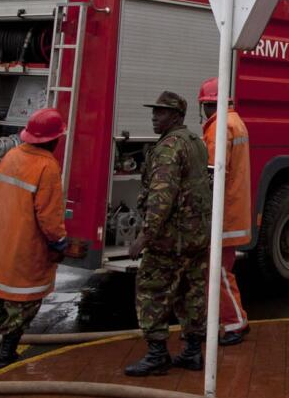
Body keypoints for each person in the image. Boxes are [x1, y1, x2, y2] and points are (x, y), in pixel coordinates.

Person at [124, 91, 211, 377]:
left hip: (171, 240)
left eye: (160, 112)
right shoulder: (196, 143)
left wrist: (145, 237)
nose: (154, 117)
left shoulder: (168, 149)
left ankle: (157, 354)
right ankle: (192, 352)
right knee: (192, 293)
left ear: (176, 116)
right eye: (154, 111)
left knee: (152, 290)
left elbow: (162, 197)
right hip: (196, 237)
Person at [0, 109, 69, 370]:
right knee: (23, 303)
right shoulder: (47, 166)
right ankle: (5, 356)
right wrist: (59, 242)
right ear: (54, 139)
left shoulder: (11, 156)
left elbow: (0, 194)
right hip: (25, 246)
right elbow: (49, 215)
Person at [199, 77, 251, 346]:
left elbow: (212, 173)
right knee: (221, 271)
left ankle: (234, 324)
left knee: (217, 273)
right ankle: (235, 318)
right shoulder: (235, 121)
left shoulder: (219, 127)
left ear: (208, 105)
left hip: (224, 216)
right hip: (233, 212)